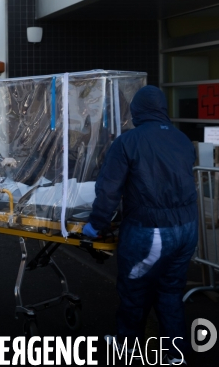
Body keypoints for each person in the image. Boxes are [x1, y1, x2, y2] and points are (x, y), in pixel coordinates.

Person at [82, 86, 198, 365]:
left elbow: (109, 189)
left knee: (135, 289)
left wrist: (96, 223)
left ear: (136, 111)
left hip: (152, 230)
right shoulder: (182, 139)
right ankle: (174, 353)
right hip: (187, 228)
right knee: (170, 289)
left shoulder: (128, 142)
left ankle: (127, 347)